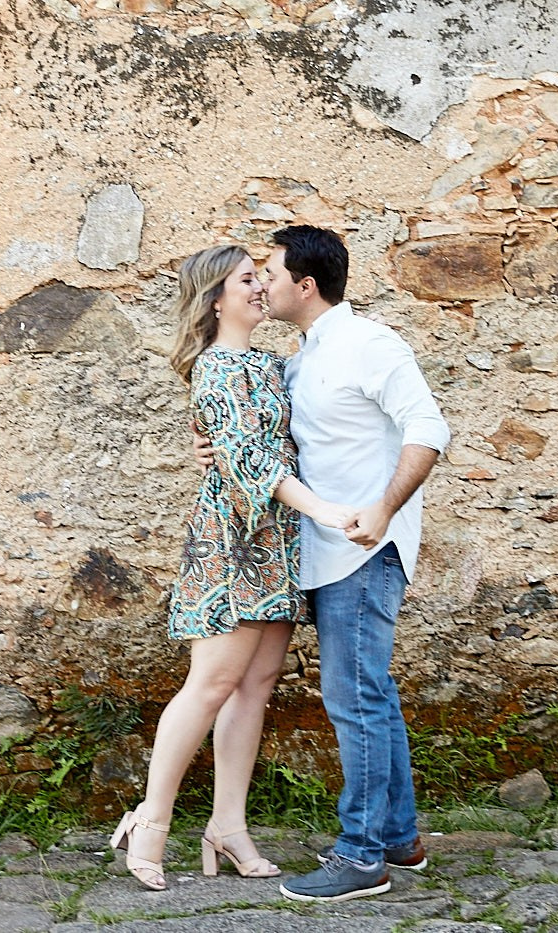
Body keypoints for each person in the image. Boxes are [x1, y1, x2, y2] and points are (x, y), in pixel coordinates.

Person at [195, 225, 448, 902]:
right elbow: (262, 438)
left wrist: (384, 507)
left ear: (306, 285)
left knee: (354, 698)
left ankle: (362, 855)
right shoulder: (302, 358)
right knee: (374, 693)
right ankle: (397, 835)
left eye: (270, 271)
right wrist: (216, 451)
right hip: (321, 554)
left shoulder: (371, 344)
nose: (262, 282)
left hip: (363, 552)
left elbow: (429, 428)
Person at [111, 245, 357, 890]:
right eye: (246, 280)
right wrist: (324, 509)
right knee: (212, 684)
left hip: (273, 541)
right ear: (214, 299)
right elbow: (252, 462)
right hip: (232, 542)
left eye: (260, 277)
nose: (260, 287)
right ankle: (152, 821)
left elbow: (283, 439)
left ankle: (228, 826)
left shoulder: (270, 365)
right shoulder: (219, 371)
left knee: (258, 684)